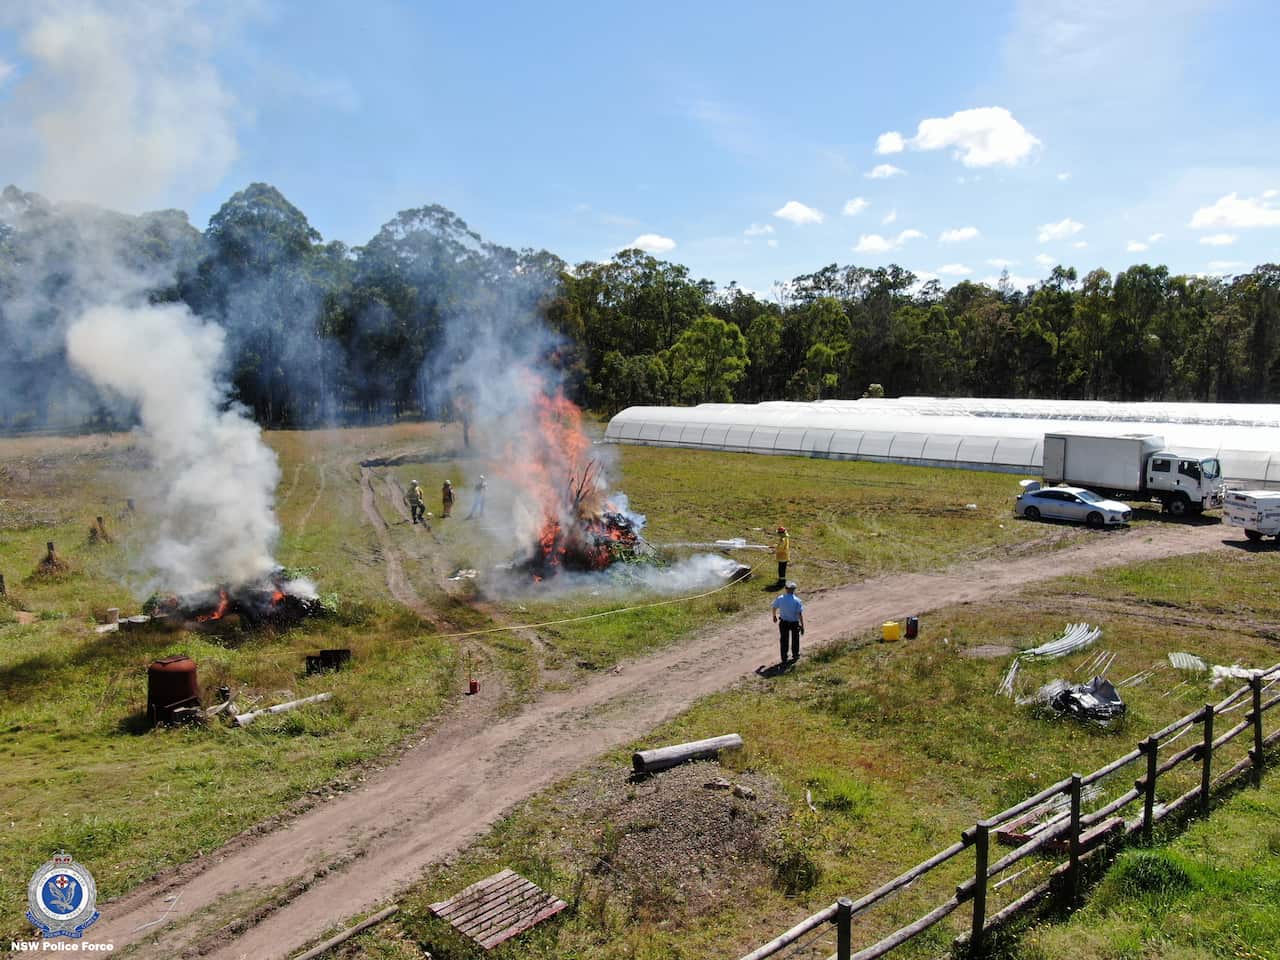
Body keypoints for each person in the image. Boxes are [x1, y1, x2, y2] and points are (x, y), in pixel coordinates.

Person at [771, 581, 805, 664]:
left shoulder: (780, 598)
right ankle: (795, 655)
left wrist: (774, 616)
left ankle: (784, 658)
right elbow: (799, 614)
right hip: (794, 623)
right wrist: (802, 625)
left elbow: (774, 607)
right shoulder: (797, 601)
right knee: (795, 639)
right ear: (794, 590)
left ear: (786, 589)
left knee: (784, 640)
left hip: (783, 623)